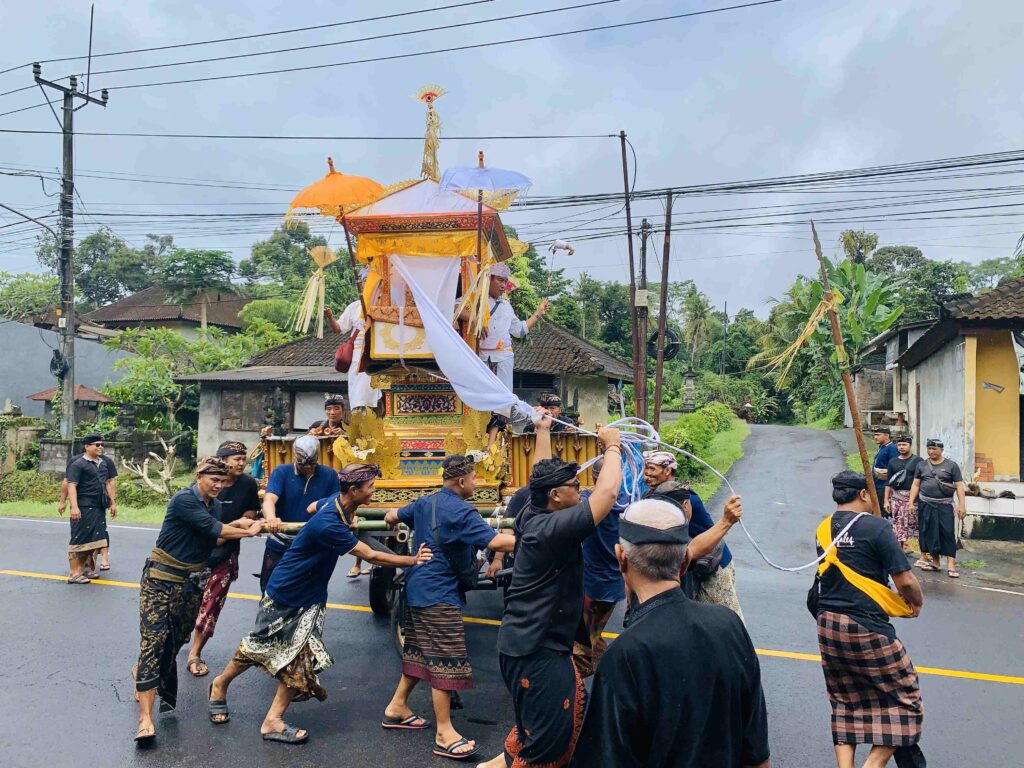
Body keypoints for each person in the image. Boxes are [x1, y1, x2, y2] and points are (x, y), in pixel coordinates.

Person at [207, 463, 431, 745]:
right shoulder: (329, 523)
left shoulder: (335, 504)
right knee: (257, 647)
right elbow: (371, 555)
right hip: (287, 591)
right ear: (354, 490)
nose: (374, 491)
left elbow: (312, 506)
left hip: (312, 594)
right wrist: (412, 560)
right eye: (370, 487)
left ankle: (273, 720)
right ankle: (220, 683)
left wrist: (350, 516)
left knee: (302, 654)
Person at [571, 498, 771, 768]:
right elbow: (757, 754)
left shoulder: (626, 654)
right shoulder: (729, 625)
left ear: (621, 559)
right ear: (685, 561)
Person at [477, 424, 623, 768]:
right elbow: (608, 495)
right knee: (548, 747)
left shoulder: (533, 509)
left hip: (529, 644)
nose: (582, 490)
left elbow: (540, 471)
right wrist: (612, 447)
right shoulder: (553, 528)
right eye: (575, 487)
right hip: (535, 650)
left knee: (548, 721)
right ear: (556, 495)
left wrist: (543, 430)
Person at [382, 455, 516, 762]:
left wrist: (390, 516)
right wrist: (540, 537)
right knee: (446, 657)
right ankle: (444, 732)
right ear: (461, 481)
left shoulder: (424, 503)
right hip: (439, 594)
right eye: (473, 478)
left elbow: (393, 515)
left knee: (417, 651)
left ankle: (397, 707)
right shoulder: (462, 511)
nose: (476, 483)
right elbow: (497, 542)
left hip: (416, 588)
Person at [133, 457, 262, 744]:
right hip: (161, 580)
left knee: (176, 641)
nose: (218, 485)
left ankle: (143, 669)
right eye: (213, 479)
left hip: (191, 584)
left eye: (222, 480)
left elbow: (212, 538)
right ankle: (145, 719)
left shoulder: (214, 506)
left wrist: (239, 524)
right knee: (154, 642)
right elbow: (218, 531)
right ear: (198, 476)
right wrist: (247, 529)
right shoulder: (184, 500)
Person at [812, 471, 925, 768]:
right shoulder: (877, 527)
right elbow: (905, 580)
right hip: (866, 626)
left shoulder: (823, 529)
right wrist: (915, 603)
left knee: (845, 700)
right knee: (906, 699)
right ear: (864, 494)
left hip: (828, 624)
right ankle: (872, 765)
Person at [186, 441, 260, 678]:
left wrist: (247, 519)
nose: (242, 463)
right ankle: (185, 632)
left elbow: (251, 510)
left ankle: (194, 653)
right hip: (197, 555)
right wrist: (234, 526)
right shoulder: (197, 491)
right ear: (222, 461)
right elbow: (206, 529)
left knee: (212, 604)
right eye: (236, 459)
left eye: (243, 458)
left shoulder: (248, 484)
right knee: (191, 602)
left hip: (226, 554)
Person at [641, 451, 743, 617]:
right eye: (645, 470)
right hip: (689, 566)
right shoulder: (652, 497)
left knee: (726, 616)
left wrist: (726, 521)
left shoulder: (687, 499)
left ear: (667, 471)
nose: (647, 475)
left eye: (652, 469)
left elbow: (712, 536)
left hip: (713, 564)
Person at [259, 434, 340, 594]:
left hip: (314, 542)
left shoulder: (330, 475)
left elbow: (337, 503)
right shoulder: (282, 472)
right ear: (295, 455)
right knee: (269, 588)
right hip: (282, 539)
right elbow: (269, 499)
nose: (308, 467)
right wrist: (271, 518)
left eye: (312, 463)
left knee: (310, 590)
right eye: (303, 463)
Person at [573, 455, 628, 678]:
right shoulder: (629, 501)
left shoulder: (589, 503)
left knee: (583, 640)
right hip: (615, 585)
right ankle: (602, 671)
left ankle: (581, 683)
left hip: (593, 585)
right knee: (594, 633)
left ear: (595, 477)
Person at [481, 263, 549, 444]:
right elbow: (456, 310)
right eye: (500, 280)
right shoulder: (475, 300)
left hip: (503, 357)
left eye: (505, 281)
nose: (503, 285)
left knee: (504, 400)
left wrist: (538, 314)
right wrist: (477, 320)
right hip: (481, 357)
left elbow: (519, 330)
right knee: (481, 397)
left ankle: (492, 445)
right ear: (489, 279)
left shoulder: (506, 306)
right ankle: (480, 439)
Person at [62, 433, 118, 583]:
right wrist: (73, 506)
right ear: (87, 447)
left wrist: (112, 503)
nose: (100, 447)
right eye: (96, 445)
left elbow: (108, 483)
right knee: (79, 537)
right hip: (83, 506)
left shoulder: (103, 463)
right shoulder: (78, 464)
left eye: (101, 444)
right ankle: (74, 573)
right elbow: (71, 485)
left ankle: (86, 569)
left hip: (99, 506)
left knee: (95, 538)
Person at [908, 438, 966, 578]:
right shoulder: (921, 465)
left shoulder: (952, 465)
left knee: (947, 533)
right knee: (929, 532)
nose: (931, 451)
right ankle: (935, 562)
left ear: (941, 449)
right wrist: (911, 502)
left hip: (945, 505)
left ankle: (951, 565)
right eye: (929, 448)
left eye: (934, 448)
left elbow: (959, 486)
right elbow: (916, 485)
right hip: (925, 503)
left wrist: (962, 506)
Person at [325, 298, 382, 412]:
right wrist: (330, 316)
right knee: (360, 392)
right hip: (359, 353)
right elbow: (339, 328)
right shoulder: (355, 306)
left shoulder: (386, 303)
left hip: (381, 349)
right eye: (364, 280)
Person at [883, 436, 921, 555]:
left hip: (913, 499)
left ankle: (911, 546)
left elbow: (921, 481)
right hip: (896, 498)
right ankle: (899, 546)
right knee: (897, 522)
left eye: (904, 445)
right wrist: (886, 501)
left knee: (912, 522)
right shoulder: (893, 462)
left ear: (910, 446)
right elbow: (888, 483)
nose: (901, 447)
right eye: (899, 445)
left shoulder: (918, 461)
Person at [870, 427, 898, 517]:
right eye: (875, 435)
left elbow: (895, 467)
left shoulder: (892, 448)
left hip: (884, 486)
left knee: (884, 511)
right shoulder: (882, 447)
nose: (875, 437)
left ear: (887, 436)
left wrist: (884, 473)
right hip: (877, 484)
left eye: (878, 435)